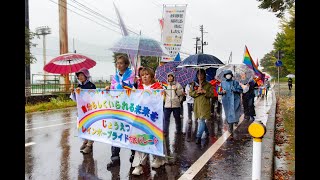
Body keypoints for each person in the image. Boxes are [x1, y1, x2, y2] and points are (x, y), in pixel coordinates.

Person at [131, 67, 167, 175]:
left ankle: (159, 158)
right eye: (142, 75)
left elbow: (162, 100)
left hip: (154, 119)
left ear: (151, 76)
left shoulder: (158, 87)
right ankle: (139, 165)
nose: (144, 77)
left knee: (156, 138)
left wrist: (160, 94)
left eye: (147, 74)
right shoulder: (138, 87)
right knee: (141, 139)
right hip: (140, 118)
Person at [105, 55, 136, 168]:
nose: (119, 65)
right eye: (117, 63)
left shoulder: (132, 75)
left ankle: (134, 154)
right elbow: (115, 88)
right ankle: (115, 158)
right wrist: (109, 88)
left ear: (126, 64)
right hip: (116, 107)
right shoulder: (115, 76)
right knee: (116, 131)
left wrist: (122, 85)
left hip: (128, 108)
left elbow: (129, 88)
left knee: (130, 131)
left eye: (121, 63)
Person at [69, 67, 96, 154]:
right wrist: (73, 92)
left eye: (81, 75)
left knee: (90, 127)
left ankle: (89, 144)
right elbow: (76, 100)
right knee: (82, 126)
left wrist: (83, 92)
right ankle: (85, 141)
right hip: (81, 111)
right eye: (78, 75)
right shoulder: (79, 86)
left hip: (90, 110)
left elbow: (93, 98)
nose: (80, 77)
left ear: (86, 75)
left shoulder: (91, 85)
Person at [189, 69, 214, 144]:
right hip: (197, 105)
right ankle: (207, 132)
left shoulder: (208, 85)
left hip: (205, 105)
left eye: (201, 74)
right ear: (197, 75)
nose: (200, 76)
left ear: (204, 75)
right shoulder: (194, 84)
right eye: (198, 74)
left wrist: (204, 91)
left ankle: (198, 137)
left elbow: (212, 94)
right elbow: (190, 93)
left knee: (202, 120)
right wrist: (197, 92)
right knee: (201, 120)